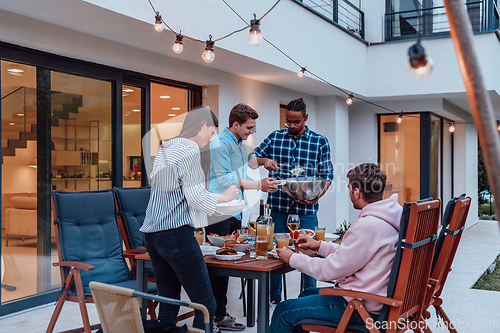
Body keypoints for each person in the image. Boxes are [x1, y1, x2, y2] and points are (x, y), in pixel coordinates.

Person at [270, 163, 403, 333]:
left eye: (349, 189)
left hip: (360, 306)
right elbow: (354, 255)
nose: (349, 194)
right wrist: (320, 246)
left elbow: (329, 270)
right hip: (376, 299)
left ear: (357, 192)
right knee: (307, 293)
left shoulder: (367, 226)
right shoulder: (390, 217)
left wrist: (292, 258)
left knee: (283, 311)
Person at [140, 106, 239, 333]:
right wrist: (223, 198)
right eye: (211, 133)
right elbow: (196, 199)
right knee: (206, 304)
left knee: (169, 302)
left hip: (153, 236)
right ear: (203, 125)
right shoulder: (190, 149)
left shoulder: (167, 147)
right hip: (175, 235)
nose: (210, 139)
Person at [252, 97, 334, 307]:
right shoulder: (276, 137)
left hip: (306, 211)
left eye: (296, 121)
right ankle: (273, 299)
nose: (291, 125)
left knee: (309, 255)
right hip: (279, 207)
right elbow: (252, 159)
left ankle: (309, 299)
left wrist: (317, 196)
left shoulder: (319, 141)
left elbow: (327, 176)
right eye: (288, 121)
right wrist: (265, 161)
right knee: (276, 253)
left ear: (305, 118)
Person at [206, 103, 278, 330]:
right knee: (215, 269)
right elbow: (226, 179)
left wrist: (264, 162)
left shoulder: (238, 143)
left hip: (234, 211)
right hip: (218, 213)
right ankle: (210, 317)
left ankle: (219, 314)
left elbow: (247, 164)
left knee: (225, 266)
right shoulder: (220, 144)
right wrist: (259, 184)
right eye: (249, 128)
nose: (251, 132)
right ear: (235, 124)